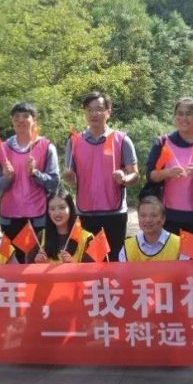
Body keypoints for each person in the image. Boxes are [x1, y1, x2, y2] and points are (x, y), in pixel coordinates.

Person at [63, 91, 139, 261]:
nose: (94, 113)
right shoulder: (74, 141)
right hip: (85, 212)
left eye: (99, 109)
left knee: (112, 261)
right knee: (87, 262)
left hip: (114, 213)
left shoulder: (121, 139)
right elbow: (72, 179)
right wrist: (69, 178)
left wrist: (125, 178)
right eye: (89, 109)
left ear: (108, 112)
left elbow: (135, 174)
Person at [145, 97, 193, 257]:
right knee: (171, 264)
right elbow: (150, 175)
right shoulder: (163, 142)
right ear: (175, 117)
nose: (184, 118)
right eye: (180, 114)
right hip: (169, 217)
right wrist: (167, 173)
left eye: (189, 114)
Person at [0, 102, 59, 262]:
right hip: (10, 216)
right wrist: (7, 178)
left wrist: (35, 173)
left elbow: (54, 182)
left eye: (25, 116)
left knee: (37, 261)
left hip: (38, 215)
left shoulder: (46, 147)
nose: (21, 120)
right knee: (14, 262)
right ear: (12, 121)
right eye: (16, 117)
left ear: (34, 120)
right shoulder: (2, 149)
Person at [29, 189, 94, 263]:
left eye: (62, 208)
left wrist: (72, 265)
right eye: (52, 209)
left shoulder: (87, 238)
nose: (57, 213)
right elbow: (27, 266)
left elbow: (93, 269)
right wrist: (37, 264)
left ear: (71, 209)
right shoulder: (41, 236)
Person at [119, 196, 191, 262]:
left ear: (163, 219)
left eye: (153, 215)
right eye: (143, 215)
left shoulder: (181, 244)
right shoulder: (127, 248)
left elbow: (188, 270)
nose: (148, 220)